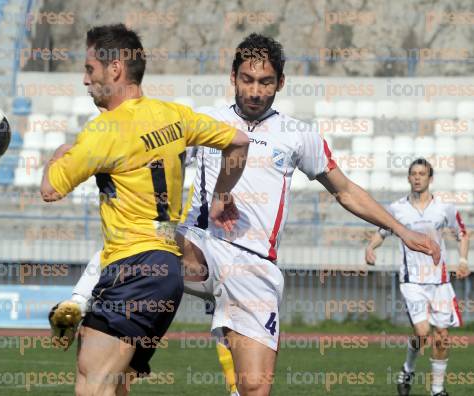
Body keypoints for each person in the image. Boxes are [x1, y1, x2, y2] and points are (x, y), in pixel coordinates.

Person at [177, 33, 440, 396]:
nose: (255, 91)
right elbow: (159, 158)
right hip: (202, 245)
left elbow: (345, 190)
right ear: (233, 77)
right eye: (247, 80)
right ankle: (92, 310)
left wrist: (401, 229)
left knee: (254, 388)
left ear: (280, 82)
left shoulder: (298, 135)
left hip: (255, 267)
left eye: (266, 82)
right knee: (148, 252)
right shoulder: (204, 121)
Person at [41, 24, 250, 396]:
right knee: (112, 381)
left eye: (90, 69)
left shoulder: (103, 131)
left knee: (93, 386)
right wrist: (222, 194)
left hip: (132, 270)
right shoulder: (174, 114)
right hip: (164, 272)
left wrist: (57, 157)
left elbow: (51, 189)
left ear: (115, 69)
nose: (85, 79)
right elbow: (238, 141)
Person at [365, 158, 469, 396]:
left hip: (440, 281)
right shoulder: (397, 208)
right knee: (422, 333)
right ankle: (408, 369)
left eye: (422, 173)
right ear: (409, 178)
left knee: (442, 335)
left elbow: (462, 233)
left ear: (430, 178)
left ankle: (437, 390)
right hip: (412, 281)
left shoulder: (445, 207)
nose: (418, 177)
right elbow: (382, 232)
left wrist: (463, 261)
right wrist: (370, 248)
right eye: (414, 173)